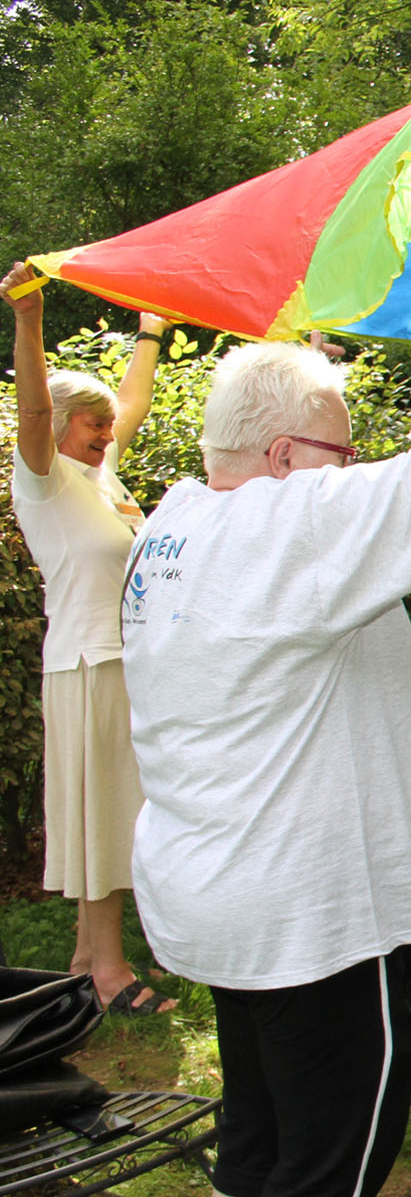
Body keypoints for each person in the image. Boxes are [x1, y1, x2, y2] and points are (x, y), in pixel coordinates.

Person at [118, 193, 411, 1197]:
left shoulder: (179, 521)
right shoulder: (279, 528)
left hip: (228, 903)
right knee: (332, 1162)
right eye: (340, 452)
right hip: (315, 921)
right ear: (283, 459)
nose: (356, 472)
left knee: (260, 1130)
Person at [3, 266, 174, 1018]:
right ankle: (107, 972)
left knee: (116, 809)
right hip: (85, 664)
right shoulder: (44, 479)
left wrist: (150, 332)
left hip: (121, 664)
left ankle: (83, 955)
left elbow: (131, 403)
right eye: (93, 425)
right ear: (62, 426)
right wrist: (30, 318)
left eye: (107, 427)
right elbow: (34, 413)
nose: (108, 435)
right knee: (106, 816)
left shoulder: (101, 480)